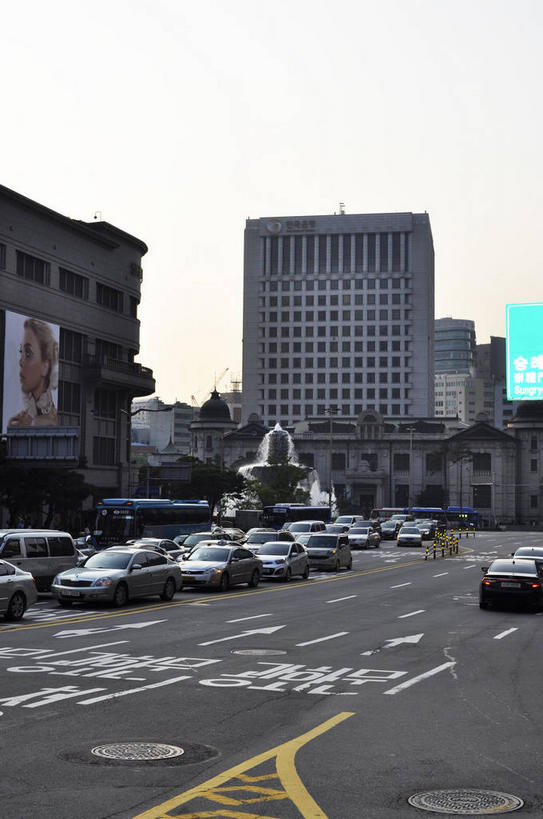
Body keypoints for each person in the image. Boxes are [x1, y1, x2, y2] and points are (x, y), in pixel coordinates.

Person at [8, 318, 59, 427]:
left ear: (45, 366)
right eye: (21, 352)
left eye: (28, 353)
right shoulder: (24, 414)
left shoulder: (47, 419)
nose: (20, 361)